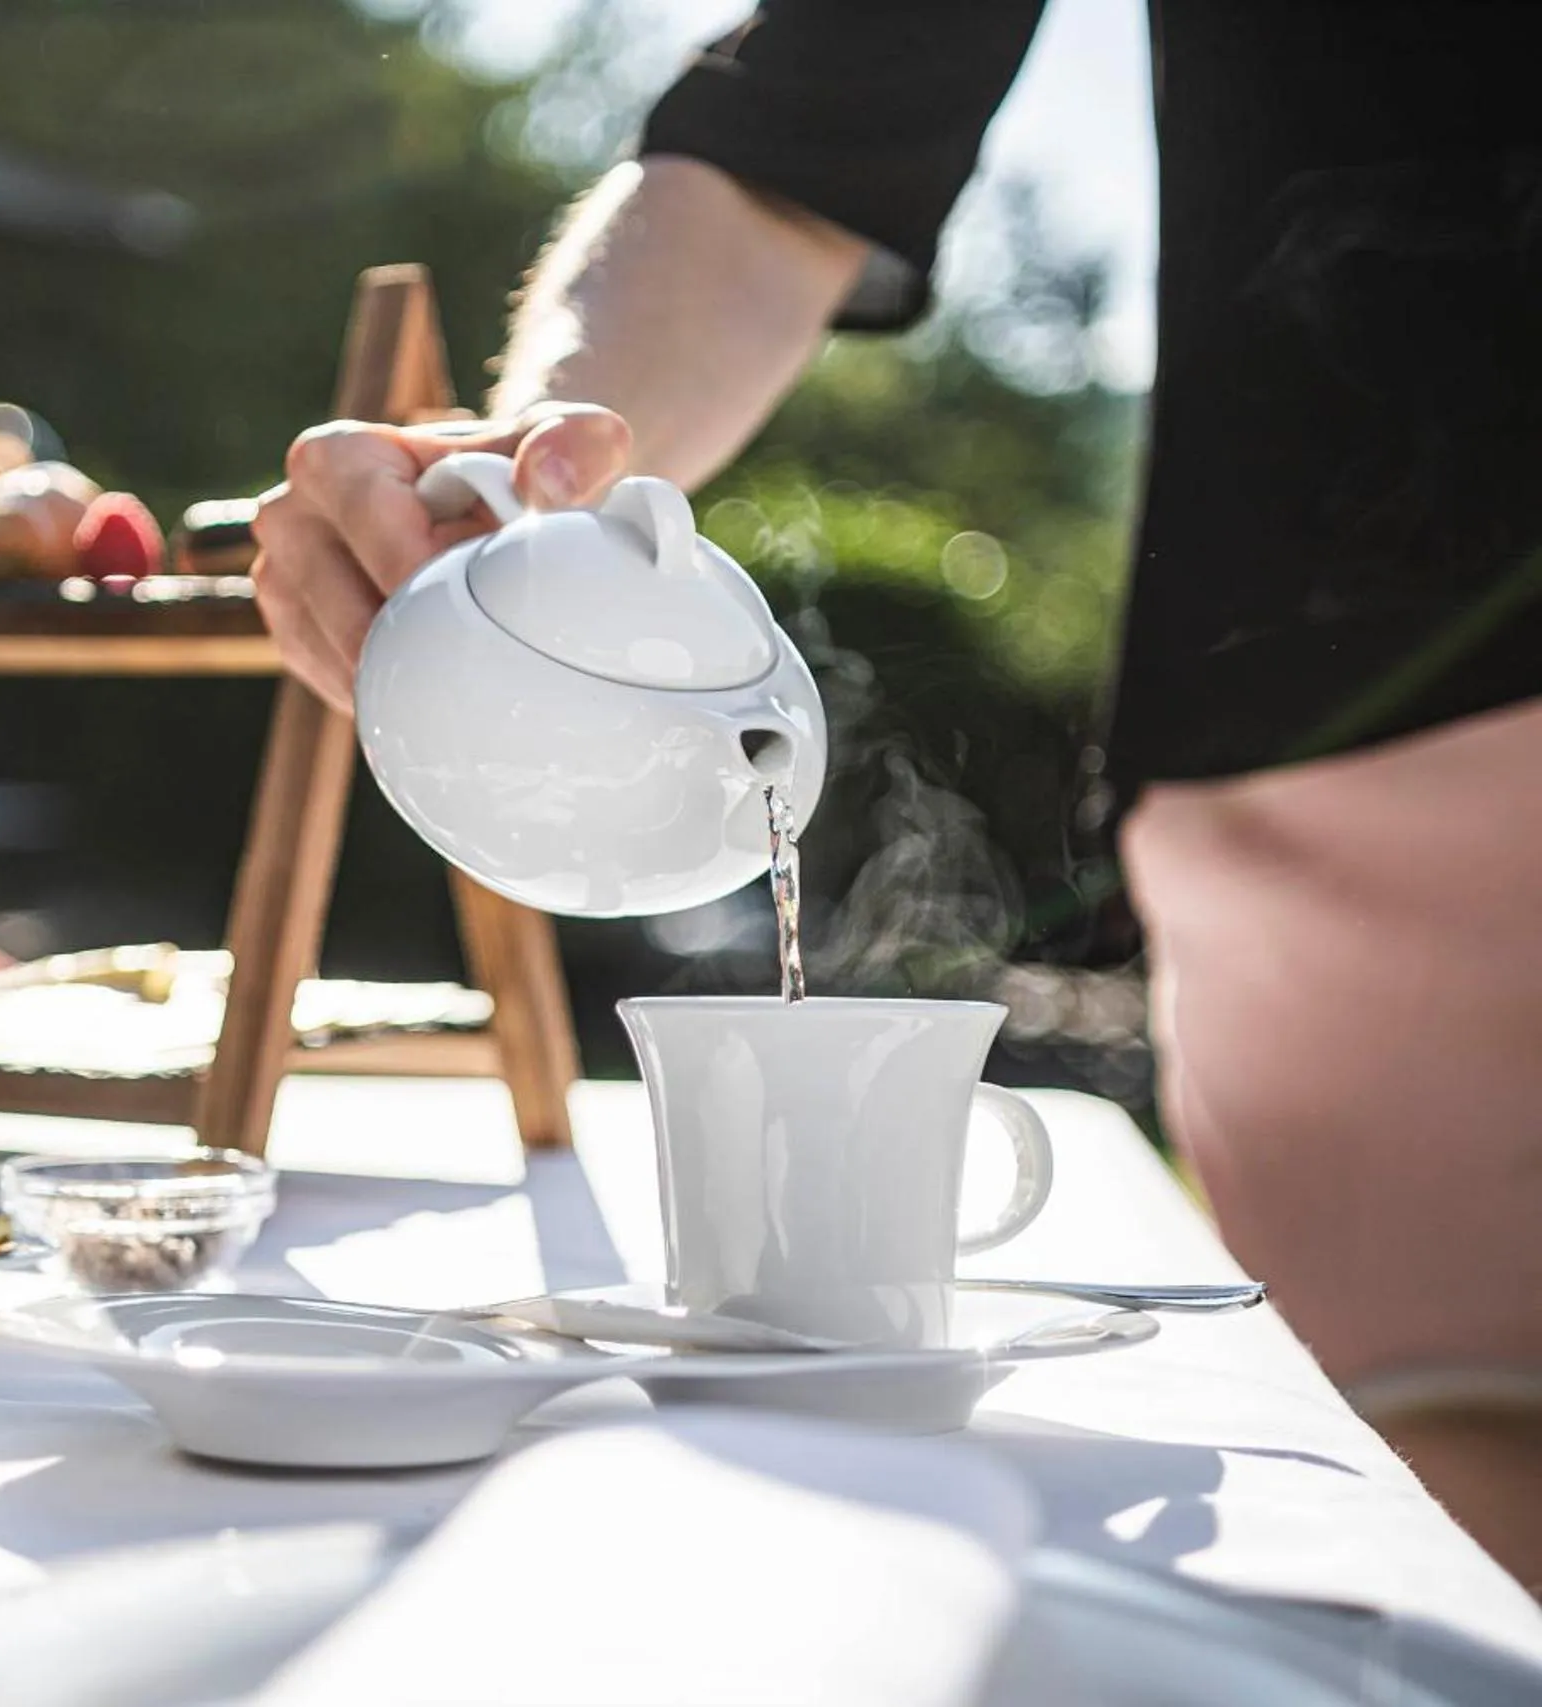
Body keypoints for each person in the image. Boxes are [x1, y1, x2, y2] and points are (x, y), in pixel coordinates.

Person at [251, 2, 1542, 1589]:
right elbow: (802, 137)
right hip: (1361, 791)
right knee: (1400, 1557)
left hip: (1344, 747)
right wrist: (528, 487)